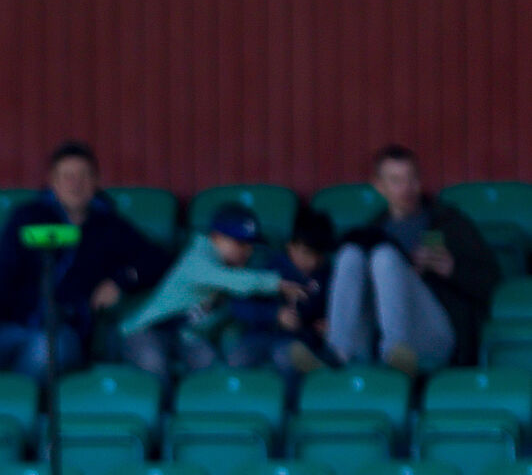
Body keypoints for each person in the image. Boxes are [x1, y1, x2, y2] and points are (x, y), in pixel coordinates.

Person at [0, 140, 172, 378]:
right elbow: (1, 274)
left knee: (43, 352)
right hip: (14, 326)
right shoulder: (28, 217)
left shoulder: (110, 226)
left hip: (66, 332)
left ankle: (19, 404)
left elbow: (158, 261)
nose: (75, 185)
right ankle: (7, 405)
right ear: (53, 182)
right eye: (67, 176)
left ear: (96, 182)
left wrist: (120, 280)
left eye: (83, 176)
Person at [326, 144, 500, 374]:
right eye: (396, 181)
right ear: (379, 186)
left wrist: (452, 269)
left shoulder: (449, 223)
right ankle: (337, 352)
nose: (406, 188)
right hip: (374, 333)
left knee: (384, 257)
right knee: (350, 254)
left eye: (412, 179)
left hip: (435, 334)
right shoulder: (375, 229)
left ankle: (394, 351)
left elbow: (493, 283)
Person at [119, 205, 307, 382]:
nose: (247, 251)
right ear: (216, 237)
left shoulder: (235, 266)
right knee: (153, 363)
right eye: (239, 243)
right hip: (145, 331)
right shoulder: (198, 257)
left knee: (209, 365)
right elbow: (228, 279)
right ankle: (163, 415)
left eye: (250, 245)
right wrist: (277, 283)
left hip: (185, 336)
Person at [228, 207, 338, 376]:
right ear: (291, 247)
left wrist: (325, 323)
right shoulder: (270, 268)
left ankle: (313, 388)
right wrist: (276, 314)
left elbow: (330, 309)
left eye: (319, 256)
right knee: (237, 358)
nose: (313, 262)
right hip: (262, 334)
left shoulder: (326, 275)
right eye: (306, 253)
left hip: (299, 339)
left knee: (286, 355)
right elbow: (239, 306)